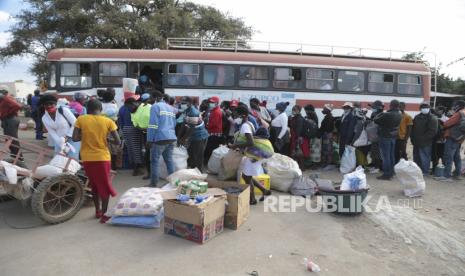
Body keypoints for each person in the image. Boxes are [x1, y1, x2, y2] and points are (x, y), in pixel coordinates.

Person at [72, 99, 121, 223]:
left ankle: (98, 211)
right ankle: (104, 214)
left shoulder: (81, 119)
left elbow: (75, 138)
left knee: (94, 185)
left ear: (87, 108)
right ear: (101, 109)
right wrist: (106, 139)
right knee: (104, 186)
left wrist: (87, 135)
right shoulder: (108, 121)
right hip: (102, 157)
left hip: (87, 158)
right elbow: (118, 141)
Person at [228, 105, 271, 205]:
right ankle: (264, 190)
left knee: (246, 177)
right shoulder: (249, 123)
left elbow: (250, 142)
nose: (234, 117)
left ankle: (252, 199)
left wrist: (234, 145)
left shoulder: (245, 126)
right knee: (248, 176)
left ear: (242, 116)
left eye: (236, 115)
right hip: (253, 154)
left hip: (252, 155)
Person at [147, 90, 177, 187]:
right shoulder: (171, 108)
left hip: (160, 138)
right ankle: (172, 183)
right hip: (171, 137)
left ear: (156, 98)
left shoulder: (155, 107)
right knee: (169, 160)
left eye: (151, 98)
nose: (150, 100)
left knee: (154, 161)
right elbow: (174, 124)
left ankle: (153, 183)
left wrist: (149, 139)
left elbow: (153, 125)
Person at [40, 94, 80, 159]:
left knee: (72, 160)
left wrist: (67, 136)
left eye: (51, 104)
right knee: (58, 160)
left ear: (55, 104)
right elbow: (52, 132)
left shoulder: (63, 110)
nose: (49, 106)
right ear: (43, 105)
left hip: (73, 138)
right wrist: (60, 143)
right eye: (46, 104)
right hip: (59, 141)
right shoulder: (44, 118)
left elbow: (76, 123)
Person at [178, 96, 209, 171]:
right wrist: (178, 137)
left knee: (198, 157)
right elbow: (183, 125)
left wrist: (183, 139)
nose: (182, 105)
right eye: (181, 103)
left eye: (184, 103)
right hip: (193, 136)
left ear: (190, 103)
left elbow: (191, 128)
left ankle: (199, 174)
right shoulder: (186, 111)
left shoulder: (193, 112)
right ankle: (193, 171)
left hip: (200, 137)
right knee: (192, 156)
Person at [374, 99, 402, 180]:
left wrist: (382, 113)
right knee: (391, 155)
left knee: (386, 156)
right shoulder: (399, 113)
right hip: (393, 136)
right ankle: (391, 172)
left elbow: (376, 120)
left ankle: (386, 174)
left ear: (391, 105)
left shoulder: (387, 114)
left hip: (385, 136)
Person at [437, 100, 465, 182]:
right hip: (459, 137)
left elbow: (447, 123)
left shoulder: (459, 113)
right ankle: (457, 174)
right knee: (457, 156)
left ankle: (447, 176)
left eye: (455, 105)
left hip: (452, 137)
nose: (454, 106)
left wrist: (443, 121)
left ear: (459, 105)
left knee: (448, 156)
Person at [118, 97, 144, 176]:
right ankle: (137, 169)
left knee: (130, 149)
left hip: (125, 129)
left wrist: (122, 130)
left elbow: (120, 121)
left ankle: (134, 167)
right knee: (136, 149)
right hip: (134, 129)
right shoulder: (136, 108)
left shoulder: (122, 108)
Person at [411, 102, 438, 175]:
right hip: (416, 141)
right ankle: (417, 171)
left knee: (425, 157)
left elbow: (432, 132)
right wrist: (412, 138)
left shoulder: (433, 118)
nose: (424, 109)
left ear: (429, 108)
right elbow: (413, 128)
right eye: (423, 107)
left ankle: (425, 172)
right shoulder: (417, 117)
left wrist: (423, 139)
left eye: (426, 107)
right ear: (420, 109)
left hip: (426, 142)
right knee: (416, 157)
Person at [131, 93, 154, 179]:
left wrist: (142, 128)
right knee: (150, 154)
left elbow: (135, 123)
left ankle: (150, 173)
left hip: (145, 133)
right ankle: (151, 173)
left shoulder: (139, 109)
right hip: (151, 133)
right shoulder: (151, 107)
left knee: (148, 154)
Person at [0, 89, 22, 156]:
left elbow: (17, 106)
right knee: (8, 139)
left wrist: (9, 113)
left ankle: (19, 158)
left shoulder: (6, 99)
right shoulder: (2, 100)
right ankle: (14, 155)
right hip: (6, 120)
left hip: (10, 119)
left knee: (12, 140)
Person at [204, 96, 225, 162]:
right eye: (210, 102)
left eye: (212, 102)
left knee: (211, 149)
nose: (210, 103)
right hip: (212, 133)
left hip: (214, 134)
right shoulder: (213, 110)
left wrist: (205, 126)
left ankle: (209, 162)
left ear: (217, 103)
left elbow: (213, 124)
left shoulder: (217, 112)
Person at [367, 100, 385, 174]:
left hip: (377, 136)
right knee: (373, 152)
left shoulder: (380, 115)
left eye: (373, 107)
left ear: (378, 108)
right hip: (373, 136)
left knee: (377, 152)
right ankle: (374, 165)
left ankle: (377, 167)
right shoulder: (375, 113)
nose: (372, 108)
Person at [432, 106, 447, 173]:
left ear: (442, 111)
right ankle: (434, 169)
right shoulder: (436, 118)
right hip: (437, 141)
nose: (437, 111)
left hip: (442, 141)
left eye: (438, 110)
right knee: (436, 156)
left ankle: (444, 170)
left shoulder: (446, 119)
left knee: (442, 156)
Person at [319, 104, 335, 169]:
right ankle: (326, 163)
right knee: (327, 149)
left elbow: (326, 128)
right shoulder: (328, 116)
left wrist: (321, 131)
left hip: (327, 135)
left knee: (327, 150)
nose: (323, 110)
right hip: (327, 135)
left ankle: (327, 163)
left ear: (328, 110)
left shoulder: (329, 117)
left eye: (324, 109)